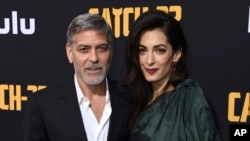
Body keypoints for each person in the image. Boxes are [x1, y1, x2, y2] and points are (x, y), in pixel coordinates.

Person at [23, 13, 131, 141]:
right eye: (84, 49)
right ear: (70, 53)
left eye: (102, 48)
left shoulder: (130, 98)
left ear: (111, 52)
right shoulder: (43, 105)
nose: (94, 58)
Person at [121, 10, 221, 141]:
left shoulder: (190, 99)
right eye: (142, 50)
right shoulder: (131, 100)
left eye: (160, 50)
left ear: (176, 54)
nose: (149, 60)